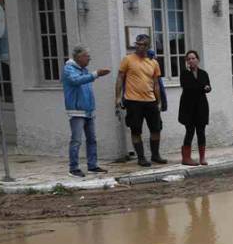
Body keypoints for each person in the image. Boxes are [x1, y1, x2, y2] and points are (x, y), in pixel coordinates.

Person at [115, 34, 167, 167]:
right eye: (137, 44)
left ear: (148, 46)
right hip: (133, 101)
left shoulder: (153, 62)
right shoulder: (127, 59)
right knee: (136, 130)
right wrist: (118, 97)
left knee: (156, 129)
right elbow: (120, 78)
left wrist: (159, 101)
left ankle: (155, 155)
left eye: (142, 44)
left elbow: (156, 84)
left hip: (150, 101)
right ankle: (141, 157)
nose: (138, 46)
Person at [62, 45, 111, 177]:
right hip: (77, 110)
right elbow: (76, 81)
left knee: (92, 139)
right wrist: (95, 74)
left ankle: (92, 165)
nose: (89, 59)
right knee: (76, 140)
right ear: (79, 57)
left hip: (88, 110)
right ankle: (73, 168)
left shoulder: (84, 70)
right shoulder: (69, 69)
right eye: (87, 56)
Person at [178, 50, 212, 166]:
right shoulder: (184, 73)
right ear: (186, 61)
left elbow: (208, 86)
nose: (191, 60)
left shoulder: (203, 73)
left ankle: (202, 158)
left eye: (193, 58)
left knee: (201, 132)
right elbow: (188, 87)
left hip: (201, 106)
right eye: (189, 59)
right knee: (190, 131)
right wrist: (203, 87)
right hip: (188, 107)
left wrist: (207, 88)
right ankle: (186, 158)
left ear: (198, 60)